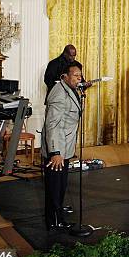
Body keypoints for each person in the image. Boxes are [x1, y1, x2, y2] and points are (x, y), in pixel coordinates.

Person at [41, 63, 82, 230]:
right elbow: (53, 125)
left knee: (60, 185)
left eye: (80, 75)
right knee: (55, 186)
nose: (79, 78)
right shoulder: (59, 93)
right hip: (57, 149)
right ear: (64, 76)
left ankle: (57, 211)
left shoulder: (71, 90)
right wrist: (55, 152)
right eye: (75, 75)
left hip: (65, 148)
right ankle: (54, 220)